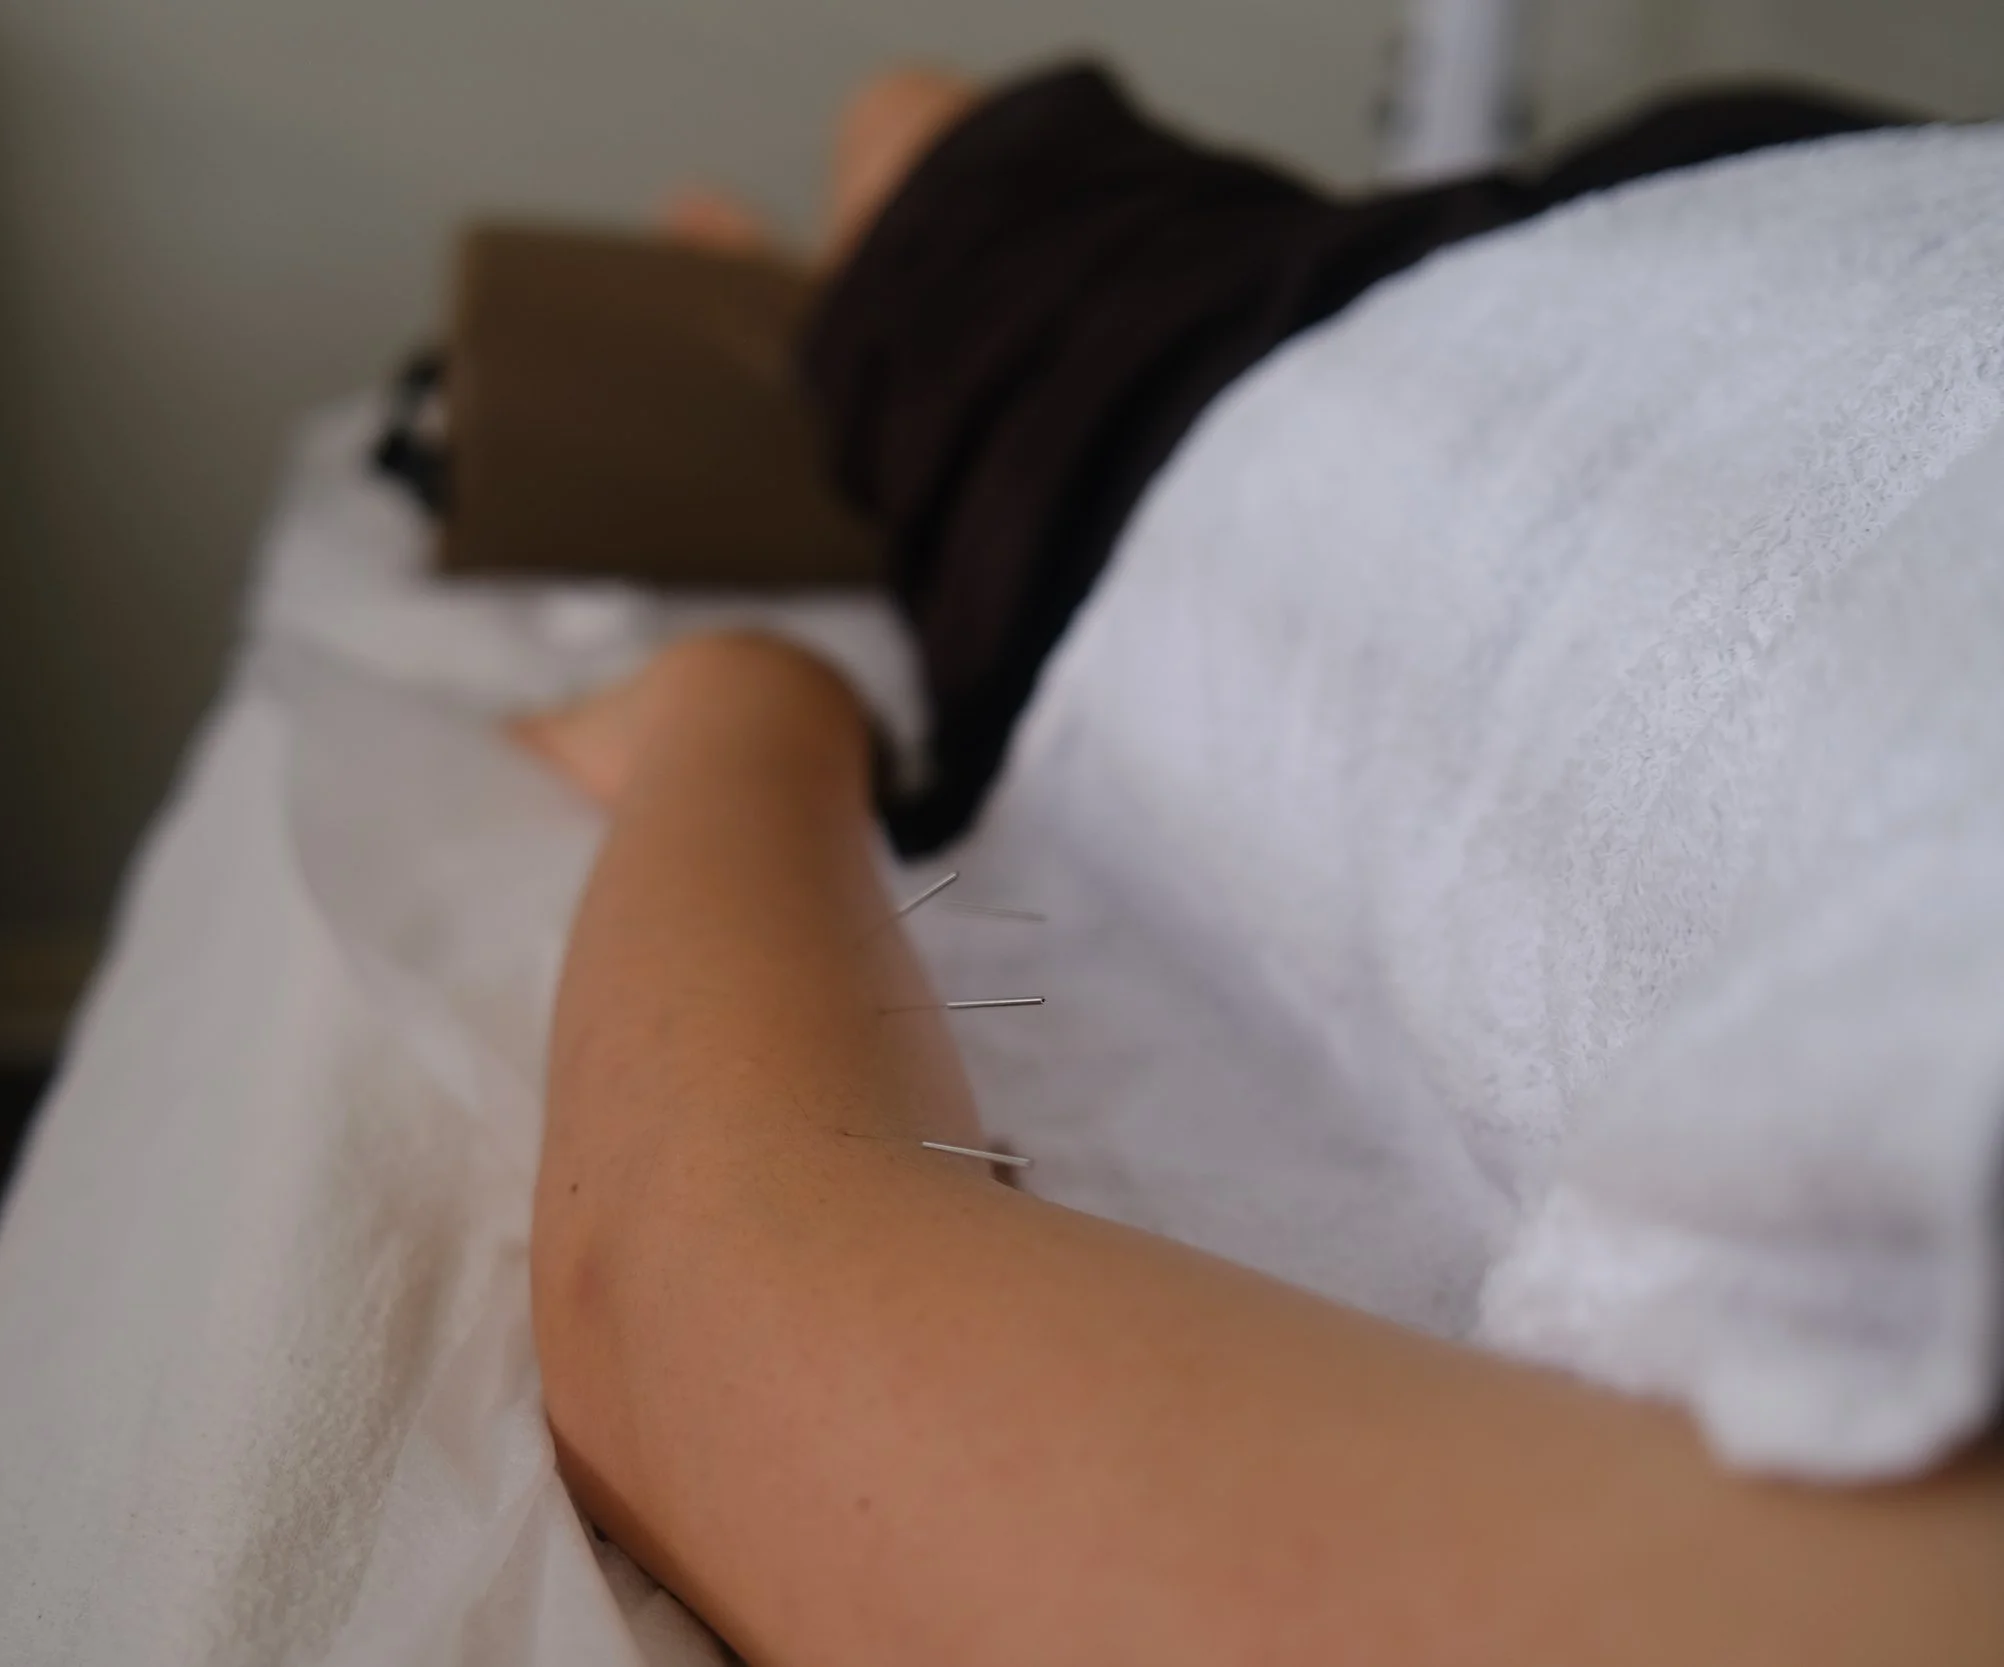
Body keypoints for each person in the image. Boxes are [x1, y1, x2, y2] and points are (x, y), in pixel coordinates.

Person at [515, 66, 2004, 1667]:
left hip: (1460, 367)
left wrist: (743, 702)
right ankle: (819, 310)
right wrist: (747, 710)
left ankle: (809, 311)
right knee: (908, 134)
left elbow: (694, 1314)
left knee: (918, 146)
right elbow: (694, 1290)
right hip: (1698, 288)